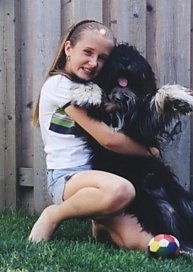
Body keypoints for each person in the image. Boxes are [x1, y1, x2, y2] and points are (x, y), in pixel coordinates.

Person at [29, 19, 158, 244]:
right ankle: (53, 215)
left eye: (102, 58)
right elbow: (107, 139)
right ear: (68, 48)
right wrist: (150, 152)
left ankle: (100, 222)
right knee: (122, 190)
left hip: (98, 179)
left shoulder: (92, 87)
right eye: (87, 52)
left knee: (143, 242)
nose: (93, 62)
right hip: (68, 177)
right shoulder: (60, 85)